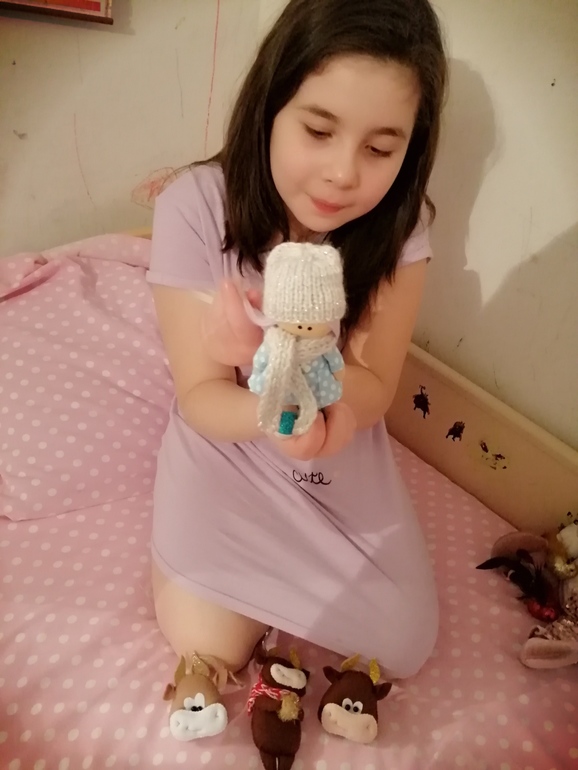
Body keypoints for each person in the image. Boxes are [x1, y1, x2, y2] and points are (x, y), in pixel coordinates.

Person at [147, 0, 448, 680]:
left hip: (339, 454)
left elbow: (375, 386)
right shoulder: (196, 205)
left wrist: (322, 412)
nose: (344, 173)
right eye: (318, 131)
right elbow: (202, 395)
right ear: (270, 107)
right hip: (229, 444)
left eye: (380, 149)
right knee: (209, 645)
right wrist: (274, 404)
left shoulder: (399, 231)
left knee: (401, 645)